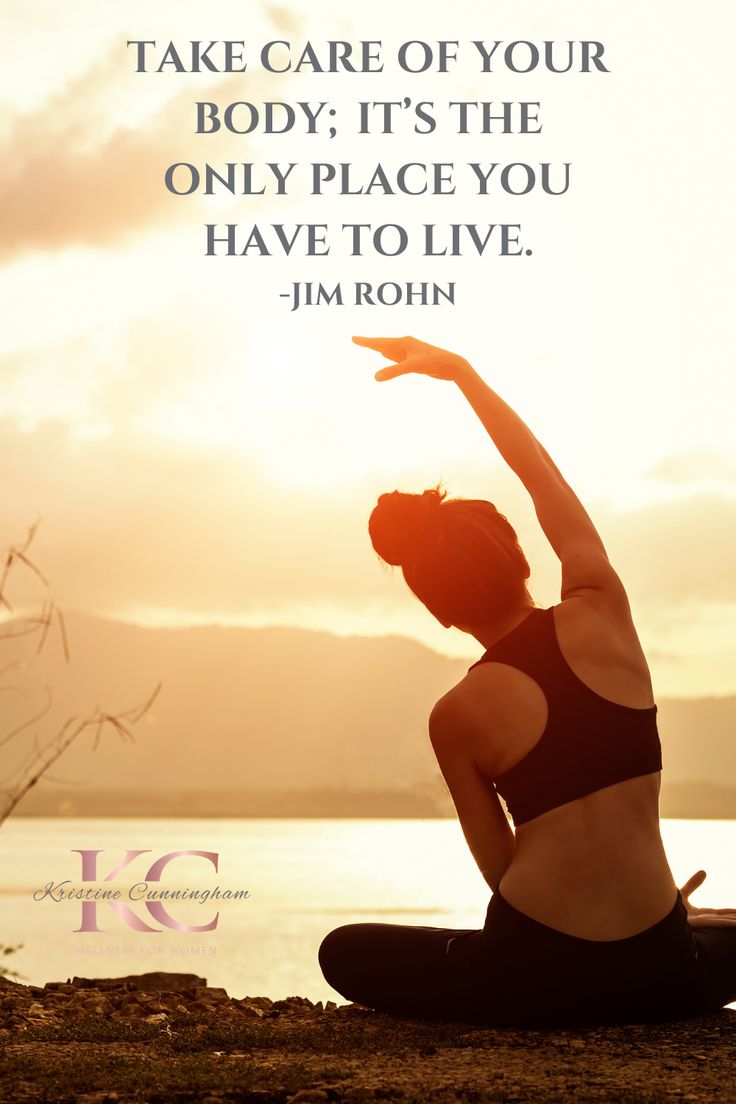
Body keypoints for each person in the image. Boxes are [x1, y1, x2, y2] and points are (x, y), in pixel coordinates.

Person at [318, 335, 736, 1027]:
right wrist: (462, 374)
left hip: (535, 983)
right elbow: (543, 477)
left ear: (440, 612)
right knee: (717, 935)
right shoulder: (603, 610)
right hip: (663, 974)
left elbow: (503, 874)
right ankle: (684, 924)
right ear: (518, 556)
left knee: (347, 951)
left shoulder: (455, 716)